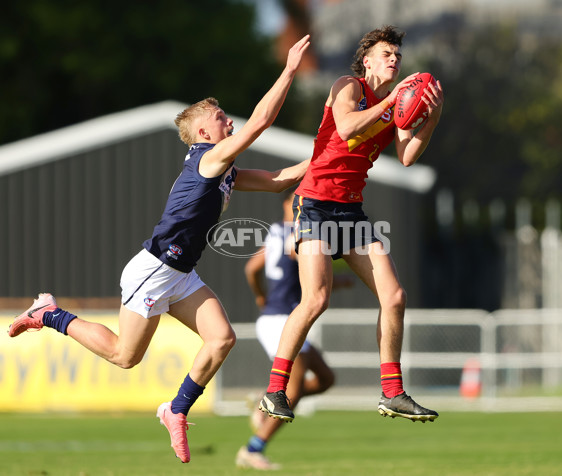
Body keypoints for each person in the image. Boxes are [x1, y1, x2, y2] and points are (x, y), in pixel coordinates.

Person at [7, 34, 311, 464]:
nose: (229, 121)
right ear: (204, 132)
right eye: (222, 117)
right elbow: (260, 122)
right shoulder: (208, 158)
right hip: (153, 270)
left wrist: (332, 151)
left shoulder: (224, 168)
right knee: (123, 355)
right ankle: (48, 313)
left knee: (222, 339)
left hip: (181, 273)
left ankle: (175, 409)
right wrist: (289, 70)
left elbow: (280, 178)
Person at [258, 26, 444, 424]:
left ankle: (392, 392)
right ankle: (275, 389)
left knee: (394, 297)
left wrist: (433, 115)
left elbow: (407, 155)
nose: (394, 59)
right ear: (367, 61)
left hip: (351, 212)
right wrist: (393, 101)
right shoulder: (349, 86)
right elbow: (345, 127)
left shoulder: (395, 105)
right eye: (386, 54)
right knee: (316, 299)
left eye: (397, 54)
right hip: (315, 205)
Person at [236, 190, 352, 470]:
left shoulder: (276, 231)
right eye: (299, 198)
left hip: (280, 317)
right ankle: (253, 448)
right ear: (289, 203)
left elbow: (252, 268)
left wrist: (259, 295)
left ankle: (264, 402)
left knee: (325, 378)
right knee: (294, 388)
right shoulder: (297, 231)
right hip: (281, 320)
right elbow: (309, 269)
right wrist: (338, 280)